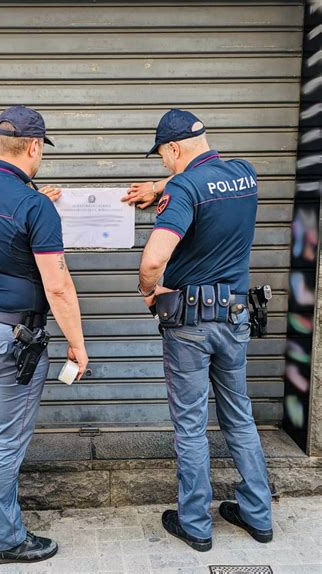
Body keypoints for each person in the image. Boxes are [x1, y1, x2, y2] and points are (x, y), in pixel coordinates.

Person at [0, 105, 88, 565]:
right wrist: (78, 345)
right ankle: (5, 541)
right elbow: (58, 285)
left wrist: (35, 201)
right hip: (7, 339)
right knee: (6, 440)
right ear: (33, 146)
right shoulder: (32, 205)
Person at [130, 109, 273, 552]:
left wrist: (148, 291)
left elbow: (153, 259)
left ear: (173, 149)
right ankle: (258, 514)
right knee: (239, 415)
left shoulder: (185, 188)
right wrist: (160, 187)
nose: (164, 168)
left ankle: (195, 523)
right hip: (235, 317)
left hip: (189, 323)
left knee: (190, 425)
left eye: (163, 159)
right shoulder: (244, 174)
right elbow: (205, 180)